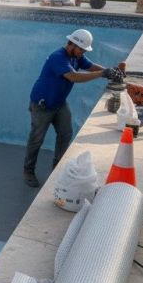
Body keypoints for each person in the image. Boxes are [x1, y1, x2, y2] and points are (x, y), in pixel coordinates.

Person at [23, 29, 120, 187]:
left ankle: (58, 167)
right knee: (36, 139)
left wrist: (109, 71)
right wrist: (102, 73)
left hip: (59, 103)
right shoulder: (58, 57)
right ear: (71, 45)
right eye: (81, 49)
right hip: (42, 105)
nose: (82, 53)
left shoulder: (76, 56)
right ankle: (28, 171)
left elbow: (90, 66)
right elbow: (74, 76)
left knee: (65, 133)